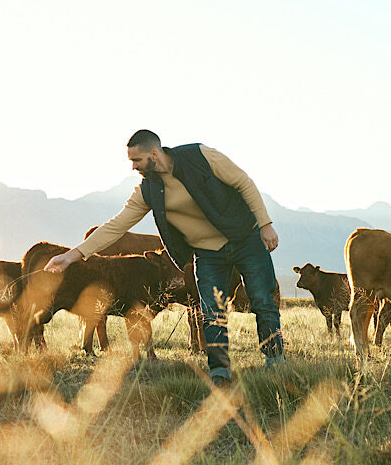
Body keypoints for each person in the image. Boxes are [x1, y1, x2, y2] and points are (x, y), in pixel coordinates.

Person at [44, 130, 284, 386]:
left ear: (154, 154)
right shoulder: (147, 191)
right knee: (211, 311)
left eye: (136, 160)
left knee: (262, 300)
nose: (133, 167)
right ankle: (220, 374)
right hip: (207, 253)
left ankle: (274, 362)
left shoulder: (201, 155)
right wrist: (73, 255)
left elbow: (242, 182)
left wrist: (265, 224)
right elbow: (116, 226)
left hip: (244, 238)